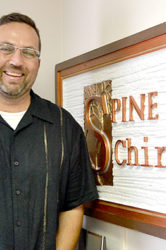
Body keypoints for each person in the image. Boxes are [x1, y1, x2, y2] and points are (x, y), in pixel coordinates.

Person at [0, 12, 98, 249]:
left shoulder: (65, 127)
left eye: (29, 52)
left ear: (38, 63)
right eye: (6, 48)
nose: (17, 60)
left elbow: (73, 206)